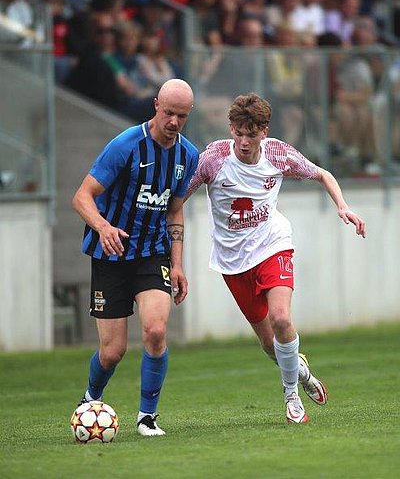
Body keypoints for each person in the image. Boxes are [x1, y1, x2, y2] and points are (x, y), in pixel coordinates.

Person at [185, 93, 366, 424]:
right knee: (270, 344)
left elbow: (322, 174)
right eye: (238, 133)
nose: (242, 142)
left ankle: (291, 397)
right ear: (231, 128)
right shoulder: (213, 158)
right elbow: (178, 196)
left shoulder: (279, 154)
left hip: (273, 244)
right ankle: (304, 376)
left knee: (281, 318)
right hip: (233, 260)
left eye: (250, 135)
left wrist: (343, 206)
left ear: (263, 132)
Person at [72, 78, 199, 437]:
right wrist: (103, 227)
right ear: (156, 104)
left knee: (156, 331)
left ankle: (147, 417)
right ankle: (90, 399)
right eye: (170, 113)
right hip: (110, 254)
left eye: (182, 116)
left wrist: (177, 263)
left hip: (152, 252)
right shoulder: (125, 146)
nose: (174, 122)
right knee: (112, 351)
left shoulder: (187, 156)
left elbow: (175, 212)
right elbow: (82, 196)